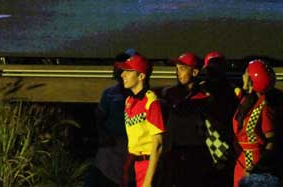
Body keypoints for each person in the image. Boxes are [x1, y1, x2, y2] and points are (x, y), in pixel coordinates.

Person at [157, 52, 217, 186]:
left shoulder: (205, 98)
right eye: (177, 68)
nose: (178, 72)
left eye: (182, 68)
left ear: (195, 72)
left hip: (194, 159)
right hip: (172, 158)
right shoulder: (170, 94)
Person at [85, 51, 133, 187]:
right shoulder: (109, 93)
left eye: (122, 69)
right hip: (110, 147)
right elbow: (99, 118)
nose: (118, 72)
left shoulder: (142, 96)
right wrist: (103, 136)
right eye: (116, 68)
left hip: (132, 149)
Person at [117, 52, 164, 187]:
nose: (122, 75)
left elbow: (158, 144)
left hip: (147, 164)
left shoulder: (151, 101)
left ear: (141, 76)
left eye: (128, 71)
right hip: (132, 162)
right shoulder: (129, 100)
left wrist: (148, 181)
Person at [232, 60, 282, 187]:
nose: (242, 76)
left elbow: (272, 140)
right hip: (241, 159)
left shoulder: (264, 107)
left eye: (245, 73)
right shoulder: (245, 100)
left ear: (251, 80)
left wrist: (259, 166)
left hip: (254, 164)